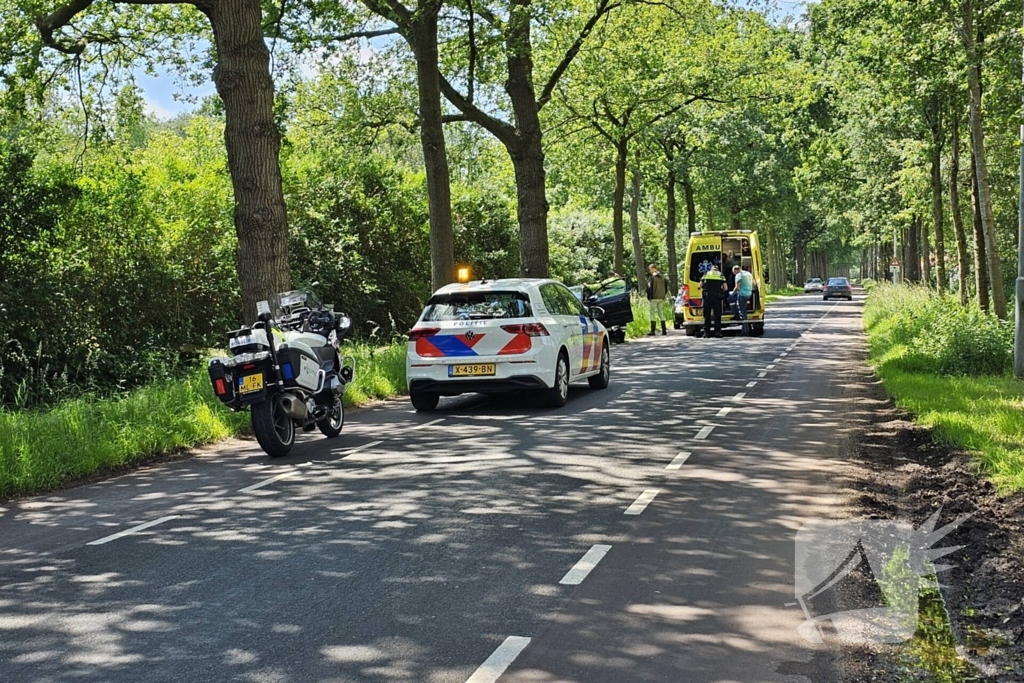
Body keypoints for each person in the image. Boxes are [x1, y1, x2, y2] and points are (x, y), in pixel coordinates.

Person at [700, 265, 727, 338]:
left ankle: (706, 333)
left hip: (707, 296)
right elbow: (725, 287)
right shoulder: (720, 275)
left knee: (707, 315)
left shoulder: (706, 274)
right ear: (717, 269)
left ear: (711, 269)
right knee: (717, 315)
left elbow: (700, 285)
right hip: (717, 297)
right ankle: (717, 333)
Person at [646, 264, 670, 336]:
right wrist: (664, 295)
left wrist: (649, 297)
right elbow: (666, 287)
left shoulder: (652, 277)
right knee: (660, 313)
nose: (650, 271)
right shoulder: (663, 277)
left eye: (650, 269)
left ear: (654, 269)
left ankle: (652, 331)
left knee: (652, 313)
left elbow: (649, 288)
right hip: (661, 297)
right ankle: (664, 330)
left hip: (654, 298)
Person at [732, 265, 754, 335]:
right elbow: (754, 284)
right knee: (744, 311)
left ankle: (745, 330)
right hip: (749, 294)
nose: (734, 274)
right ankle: (745, 328)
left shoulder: (738, 275)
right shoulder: (749, 273)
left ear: (736, 270)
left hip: (742, 295)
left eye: (734, 272)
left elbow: (737, 287)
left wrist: (733, 293)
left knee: (742, 312)